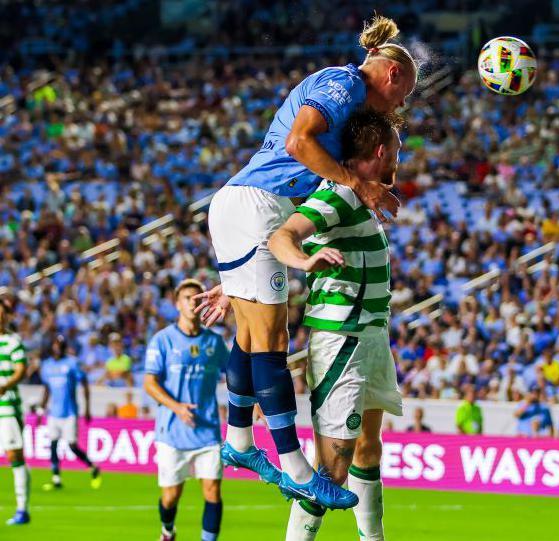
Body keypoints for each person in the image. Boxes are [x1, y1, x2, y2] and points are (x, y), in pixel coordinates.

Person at [195, 14, 416, 507]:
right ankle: (295, 468)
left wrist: (229, 279)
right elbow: (298, 142)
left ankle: (239, 442)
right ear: (392, 75)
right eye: (401, 96)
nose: (398, 105)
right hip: (257, 205)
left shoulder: (346, 109)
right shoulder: (344, 83)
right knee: (271, 339)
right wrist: (357, 183)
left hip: (245, 205)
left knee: (251, 336)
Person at [267, 109, 405, 540]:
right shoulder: (340, 195)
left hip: (370, 334)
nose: (400, 160)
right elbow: (282, 236)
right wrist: (304, 260)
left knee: (367, 447)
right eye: (397, 152)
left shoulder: (361, 195)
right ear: (380, 151)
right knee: (332, 466)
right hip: (342, 338)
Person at [144, 279, 230, 541]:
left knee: (212, 492)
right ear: (177, 304)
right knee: (170, 497)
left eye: (197, 297)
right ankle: (168, 530)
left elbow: (234, 376)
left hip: (207, 431)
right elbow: (149, 383)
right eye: (186, 298)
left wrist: (254, 401)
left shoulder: (214, 343)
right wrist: (177, 407)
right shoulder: (163, 340)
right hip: (172, 431)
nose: (192, 302)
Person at [39, 335, 100, 491]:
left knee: (72, 446)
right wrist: (41, 409)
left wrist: (87, 408)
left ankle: (92, 466)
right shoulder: (47, 365)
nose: (57, 347)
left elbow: (84, 383)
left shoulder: (72, 363)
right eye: (55, 344)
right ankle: (56, 478)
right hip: (54, 413)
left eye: (60, 344)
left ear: (64, 347)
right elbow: (47, 389)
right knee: (53, 444)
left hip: (69, 412)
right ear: (52, 346)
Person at [0, 300, 29, 525]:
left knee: (14, 456)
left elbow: (21, 371)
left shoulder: (12, 342)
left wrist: (5, 385)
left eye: (2, 314)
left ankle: (22, 509)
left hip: (7, 406)